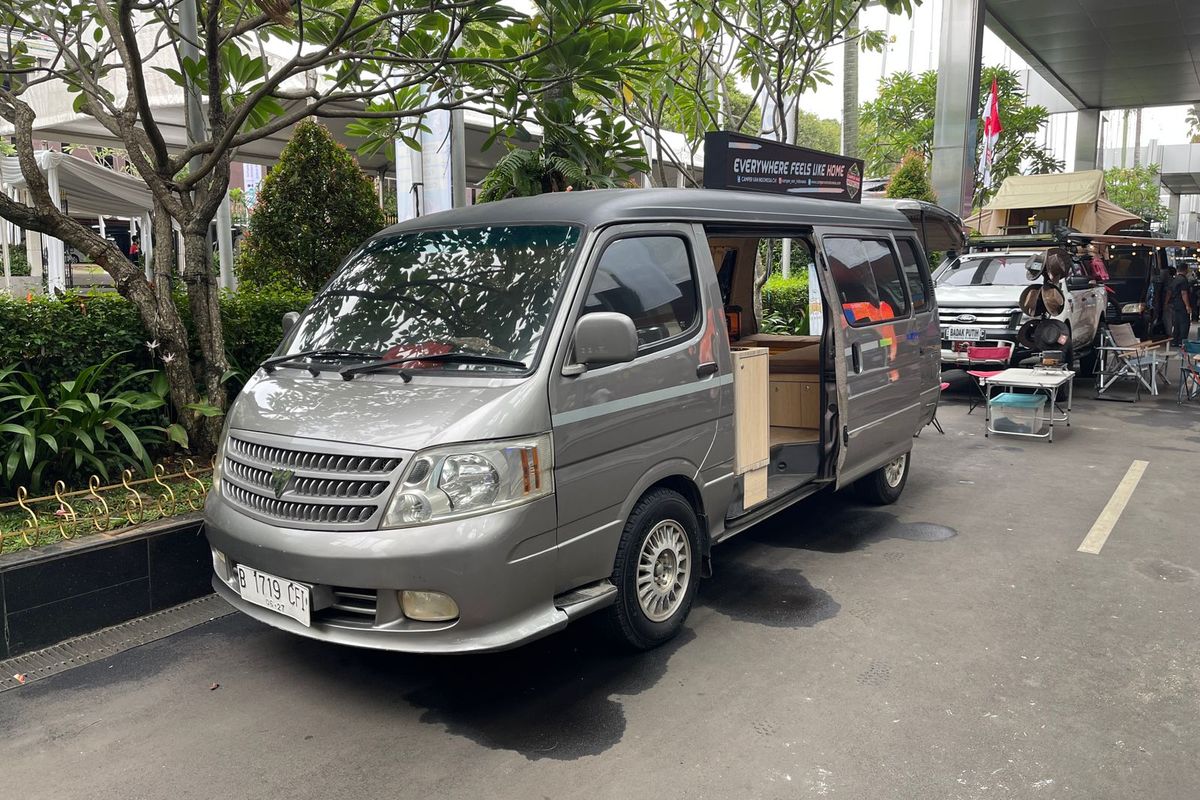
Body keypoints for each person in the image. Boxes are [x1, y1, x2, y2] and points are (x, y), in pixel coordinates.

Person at [1164, 265, 1193, 346]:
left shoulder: (1174, 279)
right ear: (1186, 270)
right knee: (1184, 323)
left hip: (1175, 304)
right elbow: (1183, 293)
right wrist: (1187, 306)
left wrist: (1166, 303)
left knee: (1176, 323)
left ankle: (1174, 341)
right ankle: (1182, 342)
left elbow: (1169, 292)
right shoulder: (1183, 280)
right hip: (1182, 305)